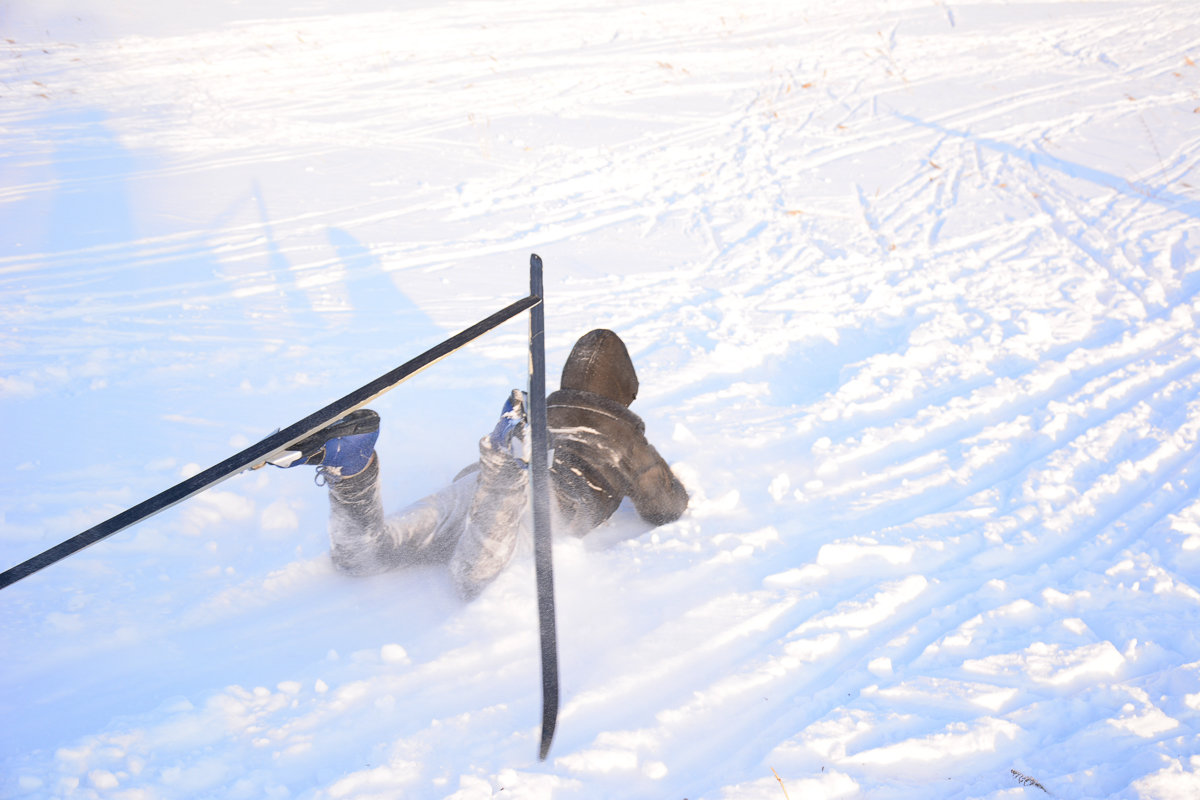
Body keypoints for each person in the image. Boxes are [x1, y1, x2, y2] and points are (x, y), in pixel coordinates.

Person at [272, 329, 689, 599]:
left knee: (366, 556)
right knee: (472, 579)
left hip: (469, 489)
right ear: (623, 386)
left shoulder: (545, 413)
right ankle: (505, 471)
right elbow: (666, 508)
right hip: (541, 507)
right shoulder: (625, 438)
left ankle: (351, 467)